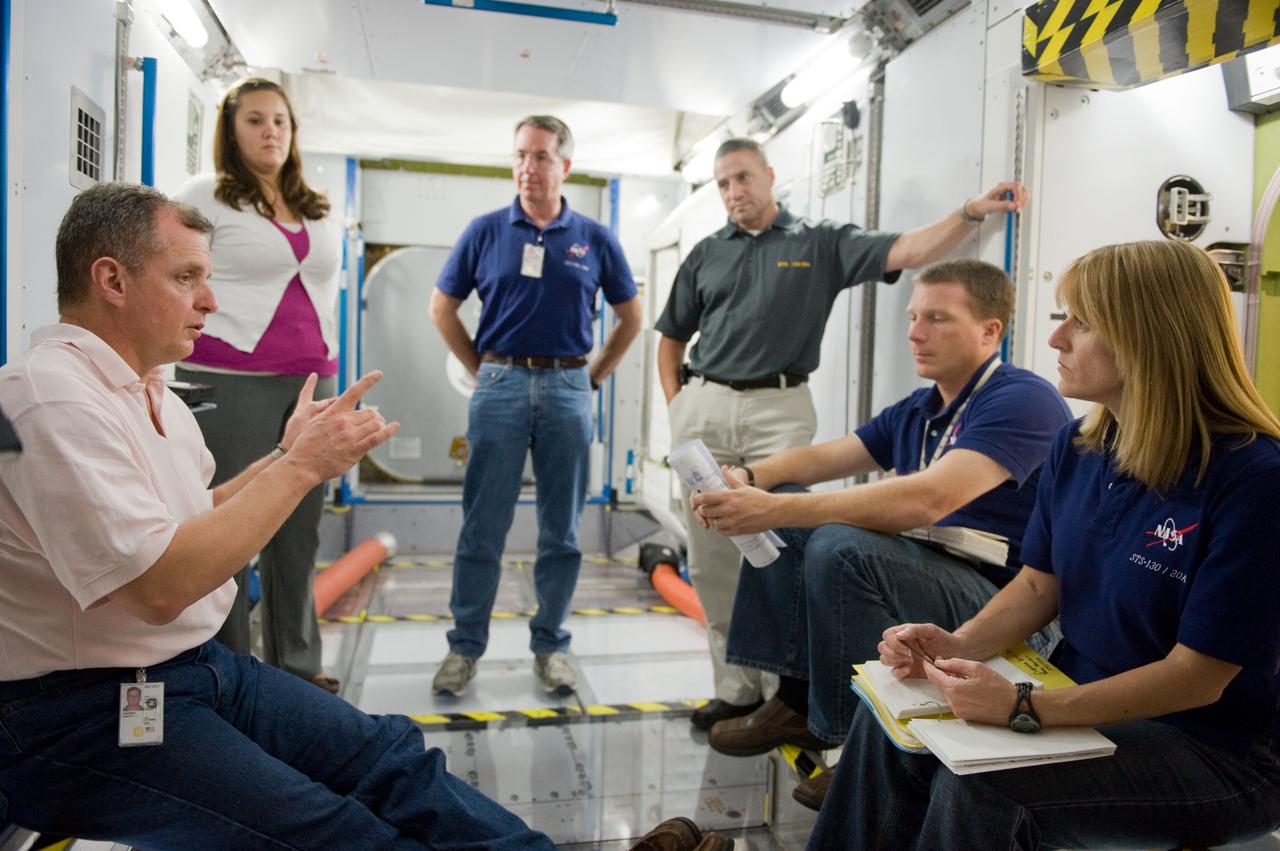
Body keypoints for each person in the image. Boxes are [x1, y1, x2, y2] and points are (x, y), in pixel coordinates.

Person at [0, 182, 731, 851]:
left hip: (192, 671)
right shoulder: (51, 398)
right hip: (83, 710)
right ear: (111, 279)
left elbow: (195, 517)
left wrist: (289, 453)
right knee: (338, 832)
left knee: (392, 759)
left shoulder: (144, 390)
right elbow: (161, 584)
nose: (210, 301)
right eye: (187, 277)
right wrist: (298, 468)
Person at [810, 240, 1280, 850]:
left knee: (986, 787)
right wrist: (954, 646)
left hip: (1210, 746)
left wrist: (1021, 706)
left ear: (1149, 336)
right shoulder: (1079, 448)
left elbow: (1196, 679)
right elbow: (1038, 585)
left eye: (1079, 323)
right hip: (1075, 700)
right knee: (892, 726)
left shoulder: (1252, 478)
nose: (1057, 341)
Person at [655, 137, 1031, 731]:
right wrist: (731, 455)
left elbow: (906, 249)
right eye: (723, 183)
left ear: (770, 176)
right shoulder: (707, 252)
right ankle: (758, 695)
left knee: (805, 533)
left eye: (743, 178)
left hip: (778, 400)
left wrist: (969, 213)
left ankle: (818, 711)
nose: (734, 192)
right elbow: (830, 453)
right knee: (720, 554)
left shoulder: (818, 241)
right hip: (703, 402)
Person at [689, 259, 1070, 807]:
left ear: (991, 331)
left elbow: (930, 497)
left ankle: (856, 747)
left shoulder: (1019, 398)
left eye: (937, 318)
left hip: (1003, 604)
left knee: (840, 546)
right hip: (939, 570)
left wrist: (770, 510)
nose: (915, 332)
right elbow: (828, 455)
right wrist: (755, 478)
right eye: (915, 316)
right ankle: (799, 703)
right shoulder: (925, 405)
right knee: (799, 518)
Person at [428, 115, 643, 698]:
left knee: (563, 532)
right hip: (499, 383)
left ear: (564, 165)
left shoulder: (594, 238)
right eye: (521, 155)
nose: (529, 167)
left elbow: (631, 319)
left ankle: (551, 646)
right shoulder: (486, 231)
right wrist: (483, 371)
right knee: (482, 527)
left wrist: (592, 378)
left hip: (569, 387)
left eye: (542, 156)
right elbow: (441, 309)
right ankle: (464, 648)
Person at [173, 77, 343, 693]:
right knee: (233, 528)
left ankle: (297, 668)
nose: (270, 131)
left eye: (280, 121)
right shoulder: (205, 197)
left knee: (299, 531)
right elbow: (172, 267)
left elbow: (322, 290)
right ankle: (232, 675)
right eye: (255, 120)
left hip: (310, 380)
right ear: (231, 128)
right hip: (227, 376)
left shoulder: (316, 205)